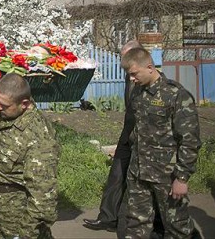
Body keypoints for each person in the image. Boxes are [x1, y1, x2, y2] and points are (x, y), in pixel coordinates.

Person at [84, 40, 164, 237]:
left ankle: (156, 224)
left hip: (144, 142)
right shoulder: (131, 77)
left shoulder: (154, 84)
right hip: (127, 134)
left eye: (127, 57)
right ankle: (107, 217)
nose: (124, 63)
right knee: (116, 174)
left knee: (143, 185)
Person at [121, 47, 201, 239]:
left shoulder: (176, 95)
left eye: (134, 73)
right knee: (135, 224)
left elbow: (190, 140)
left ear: (149, 67)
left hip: (166, 175)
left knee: (176, 227)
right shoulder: (137, 93)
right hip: (138, 171)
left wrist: (182, 178)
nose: (131, 79)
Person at [0, 72, 60, 238]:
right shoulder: (3, 114)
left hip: (16, 216)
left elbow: (43, 194)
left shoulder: (38, 134)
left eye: (3, 105)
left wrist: (26, 233)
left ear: (24, 104)